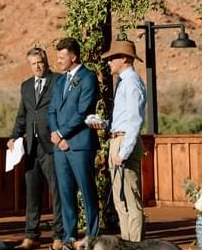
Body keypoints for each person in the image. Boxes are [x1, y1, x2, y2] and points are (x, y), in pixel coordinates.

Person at [8, 48, 63, 250]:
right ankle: (31, 236)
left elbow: (63, 110)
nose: (37, 66)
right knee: (32, 193)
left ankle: (59, 236)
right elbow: (22, 114)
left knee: (57, 192)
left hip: (52, 146)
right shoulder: (26, 86)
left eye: (39, 62)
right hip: (31, 147)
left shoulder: (58, 80)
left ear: (46, 61)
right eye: (33, 63)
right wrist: (15, 136)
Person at [47, 38, 100, 246]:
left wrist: (61, 134)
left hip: (80, 145)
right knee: (66, 192)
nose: (58, 60)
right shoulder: (60, 81)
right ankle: (69, 235)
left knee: (87, 191)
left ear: (73, 56)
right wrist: (56, 135)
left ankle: (92, 236)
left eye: (62, 56)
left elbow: (83, 111)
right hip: (60, 147)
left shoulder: (88, 78)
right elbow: (51, 110)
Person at [99, 40, 146, 242]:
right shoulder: (124, 83)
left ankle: (135, 244)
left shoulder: (132, 83)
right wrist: (104, 125)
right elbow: (125, 117)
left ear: (124, 59)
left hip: (125, 142)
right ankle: (127, 243)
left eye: (112, 58)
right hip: (117, 139)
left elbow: (135, 121)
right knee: (120, 199)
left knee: (130, 198)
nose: (109, 62)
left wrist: (124, 152)